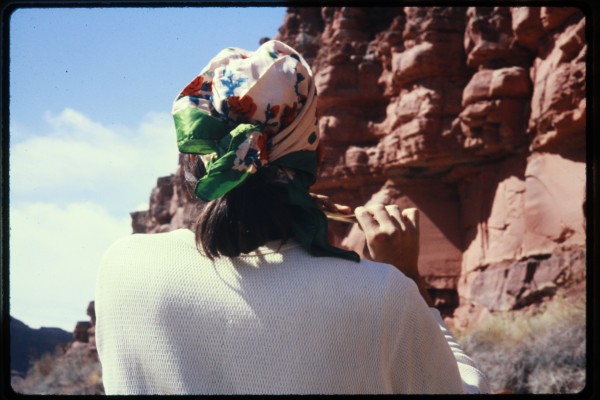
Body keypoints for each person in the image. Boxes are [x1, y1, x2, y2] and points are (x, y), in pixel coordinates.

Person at [95, 40, 490, 395]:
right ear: (316, 159)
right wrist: (409, 280)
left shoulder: (122, 267)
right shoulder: (383, 295)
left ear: (196, 156)